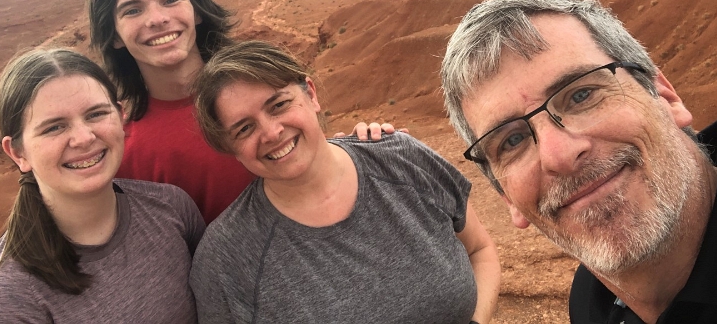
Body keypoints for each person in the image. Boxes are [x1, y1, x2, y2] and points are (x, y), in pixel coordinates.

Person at [440, 0, 717, 323]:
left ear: (665, 96)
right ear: (507, 197)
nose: (559, 155)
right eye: (512, 140)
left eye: (581, 95)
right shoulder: (592, 298)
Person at [188, 40, 500, 324]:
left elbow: (480, 250)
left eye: (279, 105)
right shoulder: (226, 258)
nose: (271, 133)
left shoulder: (403, 160)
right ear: (230, 148)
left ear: (311, 94)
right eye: (244, 128)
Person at [88, 0, 388, 224]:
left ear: (196, 9)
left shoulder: (264, 85)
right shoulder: (123, 152)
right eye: (133, 10)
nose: (157, 19)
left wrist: (363, 149)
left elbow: (315, 162)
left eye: (170, 0)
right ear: (113, 35)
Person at [0, 48, 204, 323]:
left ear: (121, 116)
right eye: (54, 127)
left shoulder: (172, 208)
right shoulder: (4, 301)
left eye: (96, 114)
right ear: (18, 153)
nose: (83, 138)